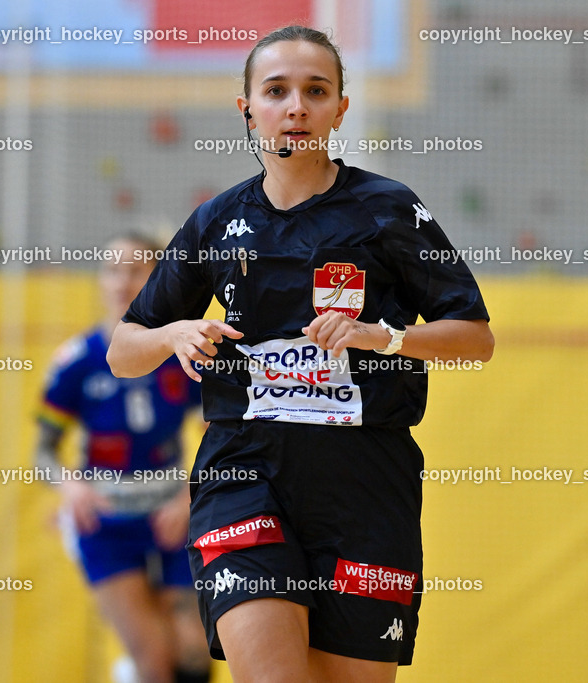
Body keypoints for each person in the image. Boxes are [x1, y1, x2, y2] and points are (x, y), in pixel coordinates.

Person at [107, 25, 494, 683]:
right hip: (244, 472)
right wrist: (173, 334)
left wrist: (387, 337)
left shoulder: (388, 211)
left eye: (315, 91)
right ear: (247, 108)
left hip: (366, 485)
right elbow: (124, 348)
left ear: (340, 108)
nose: (296, 107)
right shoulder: (216, 221)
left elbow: (475, 337)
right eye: (277, 91)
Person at [36, 235, 212, 683]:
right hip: (106, 523)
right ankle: (136, 670)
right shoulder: (78, 360)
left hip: (171, 517)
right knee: (155, 658)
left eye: (135, 270)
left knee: (194, 654)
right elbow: (42, 452)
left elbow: (223, 439)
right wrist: (69, 486)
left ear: (157, 280)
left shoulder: (180, 349)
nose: (121, 281)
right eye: (112, 269)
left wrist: (191, 498)